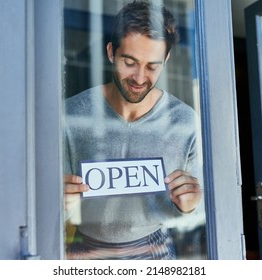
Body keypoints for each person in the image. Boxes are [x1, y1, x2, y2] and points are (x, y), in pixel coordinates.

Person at [63, 0, 203, 260]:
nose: (140, 78)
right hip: (85, 247)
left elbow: (202, 206)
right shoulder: (69, 115)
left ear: (167, 59)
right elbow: (47, 205)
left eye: (152, 66)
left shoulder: (185, 122)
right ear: (111, 53)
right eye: (129, 62)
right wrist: (57, 201)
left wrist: (190, 205)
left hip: (155, 247)